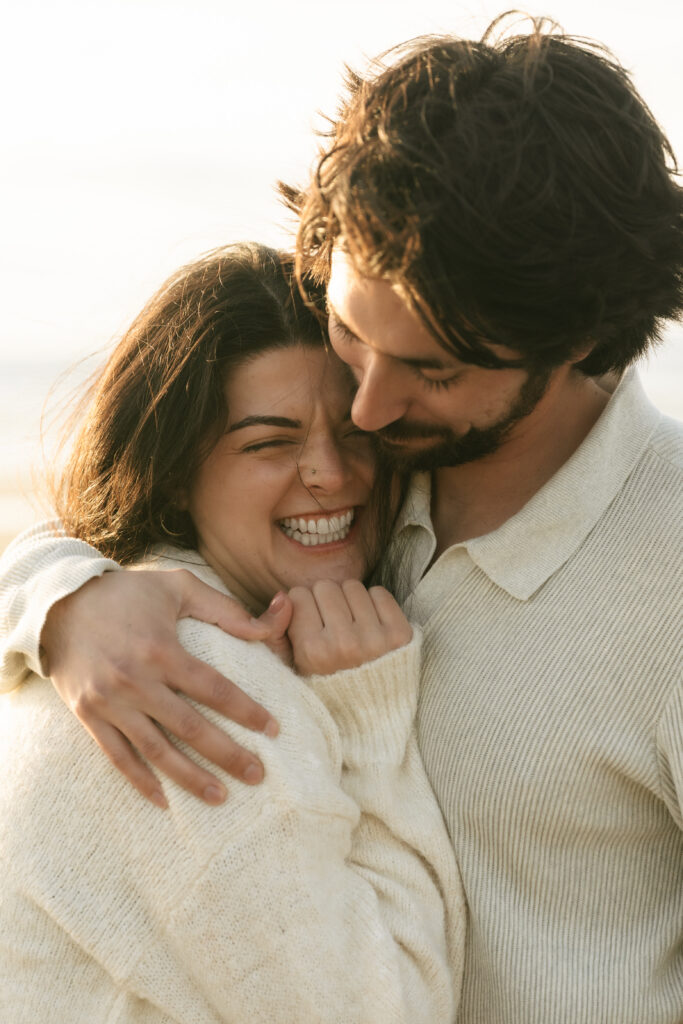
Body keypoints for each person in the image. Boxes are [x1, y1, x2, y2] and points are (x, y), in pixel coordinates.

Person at [1, 14, 682, 1023]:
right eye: (347, 328)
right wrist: (61, 593)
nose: (364, 410)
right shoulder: (368, 479)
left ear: (576, 339)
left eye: (430, 370)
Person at [0, 243, 465, 1023]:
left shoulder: (123, 617)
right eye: (268, 443)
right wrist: (375, 726)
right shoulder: (194, 683)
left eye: (354, 433)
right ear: (177, 475)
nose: (330, 473)